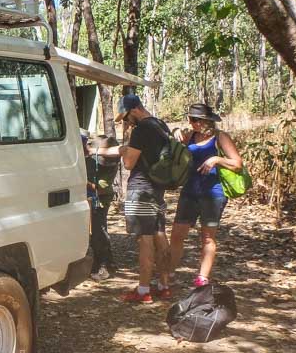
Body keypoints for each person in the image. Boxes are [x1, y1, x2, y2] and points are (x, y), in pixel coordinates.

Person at [95, 94, 172, 304]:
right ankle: (164, 285)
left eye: (127, 117)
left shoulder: (141, 130)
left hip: (141, 190)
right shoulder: (160, 125)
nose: (127, 122)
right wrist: (101, 150)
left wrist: (124, 150)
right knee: (159, 234)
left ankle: (143, 290)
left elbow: (129, 163)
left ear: (135, 110)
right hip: (157, 188)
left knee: (144, 239)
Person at [169, 103, 243, 287]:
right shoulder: (190, 136)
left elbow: (237, 163)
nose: (192, 122)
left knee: (208, 237)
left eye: (195, 120)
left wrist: (217, 159)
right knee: (177, 234)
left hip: (213, 194)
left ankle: (202, 278)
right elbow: (176, 148)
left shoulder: (220, 137)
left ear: (206, 121)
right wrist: (177, 132)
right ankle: (168, 273)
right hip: (189, 191)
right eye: (190, 119)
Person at [84, 133, 118, 277]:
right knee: (92, 232)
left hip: (101, 197)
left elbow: (101, 188)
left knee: (99, 230)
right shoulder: (90, 159)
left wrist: (82, 181)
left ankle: (106, 263)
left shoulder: (111, 164)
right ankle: (98, 262)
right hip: (88, 197)